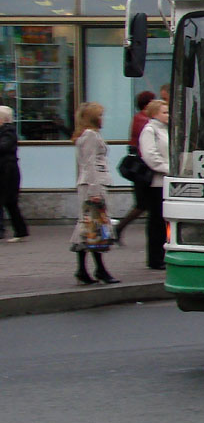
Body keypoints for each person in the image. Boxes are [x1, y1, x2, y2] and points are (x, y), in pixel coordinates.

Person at [70, 102, 119, 285]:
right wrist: (94, 190)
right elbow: (89, 163)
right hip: (94, 183)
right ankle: (98, 270)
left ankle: (86, 269)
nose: (102, 118)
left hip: (91, 183)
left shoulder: (85, 134)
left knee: (90, 226)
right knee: (93, 225)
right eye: (100, 115)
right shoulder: (90, 135)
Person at [114, 90, 155, 243]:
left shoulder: (141, 118)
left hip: (142, 166)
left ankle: (119, 228)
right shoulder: (143, 120)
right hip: (142, 168)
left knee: (143, 204)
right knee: (142, 204)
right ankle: (119, 228)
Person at [138, 98, 169, 270]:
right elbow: (150, 155)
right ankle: (155, 257)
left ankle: (162, 254)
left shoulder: (166, 130)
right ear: (155, 113)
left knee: (163, 221)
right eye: (164, 112)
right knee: (156, 221)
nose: (168, 115)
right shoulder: (150, 130)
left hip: (167, 181)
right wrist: (167, 168)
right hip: (157, 182)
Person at [0, 105, 29, 242]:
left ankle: (18, 231)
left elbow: (4, 146)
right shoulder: (5, 131)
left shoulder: (8, 131)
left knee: (9, 201)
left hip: (7, 171)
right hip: (5, 169)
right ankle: (20, 230)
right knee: (10, 203)